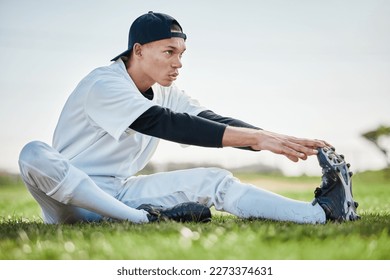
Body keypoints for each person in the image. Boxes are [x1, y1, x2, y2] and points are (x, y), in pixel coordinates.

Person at [18, 11, 358, 225]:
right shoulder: (104, 84)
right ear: (138, 50)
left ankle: (321, 214)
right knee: (33, 152)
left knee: (215, 181)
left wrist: (273, 138)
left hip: (118, 193)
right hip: (68, 197)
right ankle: (142, 219)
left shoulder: (164, 88)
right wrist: (258, 139)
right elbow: (162, 123)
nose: (177, 63)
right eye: (168, 52)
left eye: (181, 54)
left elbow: (208, 119)